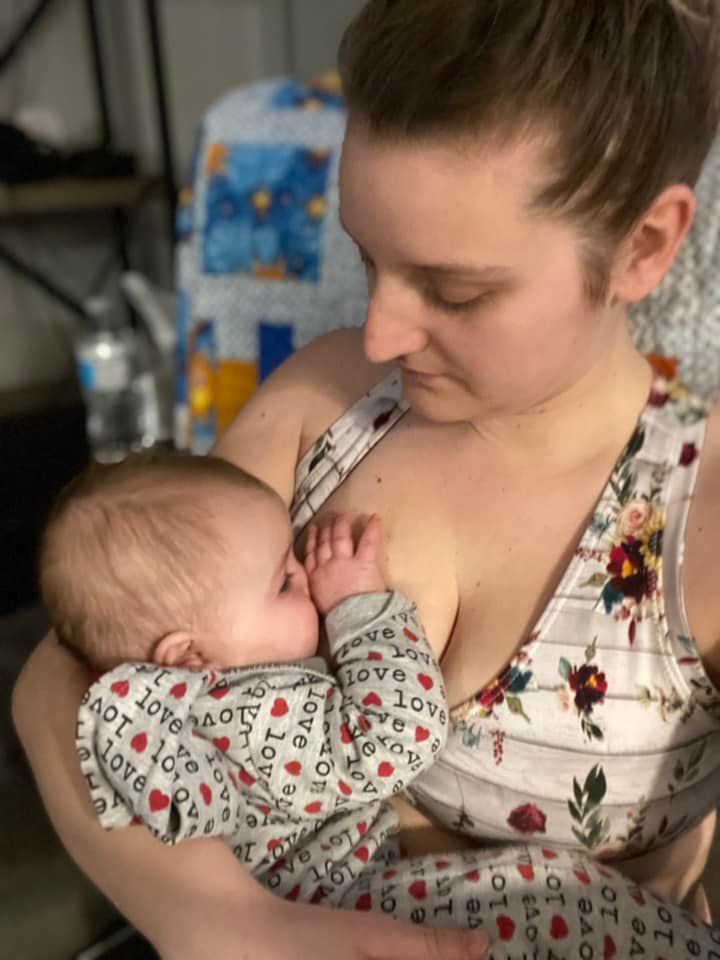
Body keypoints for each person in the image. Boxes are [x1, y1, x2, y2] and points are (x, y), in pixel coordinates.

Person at [13, 1, 720, 957]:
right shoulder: (329, 400)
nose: (379, 334)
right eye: (365, 256)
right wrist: (225, 923)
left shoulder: (700, 518)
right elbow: (66, 672)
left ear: (645, 245)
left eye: (455, 290)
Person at [38, 454, 720, 958]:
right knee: (552, 897)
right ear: (191, 657)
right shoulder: (245, 716)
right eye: (283, 583)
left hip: (337, 898)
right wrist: (358, 608)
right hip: (340, 913)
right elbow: (400, 736)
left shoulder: (159, 706)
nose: (306, 573)